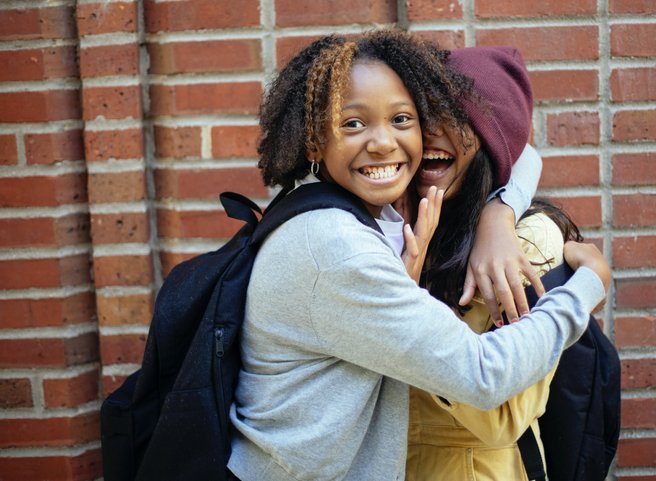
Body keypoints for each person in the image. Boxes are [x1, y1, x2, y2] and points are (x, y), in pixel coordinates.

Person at [228, 30, 610, 481]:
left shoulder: (514, 241)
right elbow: (480, 373)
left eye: (402, 118)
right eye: (354, 123)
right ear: (314, 140)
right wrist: (589, 286)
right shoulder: (352, 239)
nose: (397, 139)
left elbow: (518, 144)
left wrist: (500, 211)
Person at [403, 46, 571, 481]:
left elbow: (500, 415)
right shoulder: (393, 221)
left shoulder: (527, 243)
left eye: (455, 118)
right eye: (417, 116)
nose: (429, 133)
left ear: (490, 137)